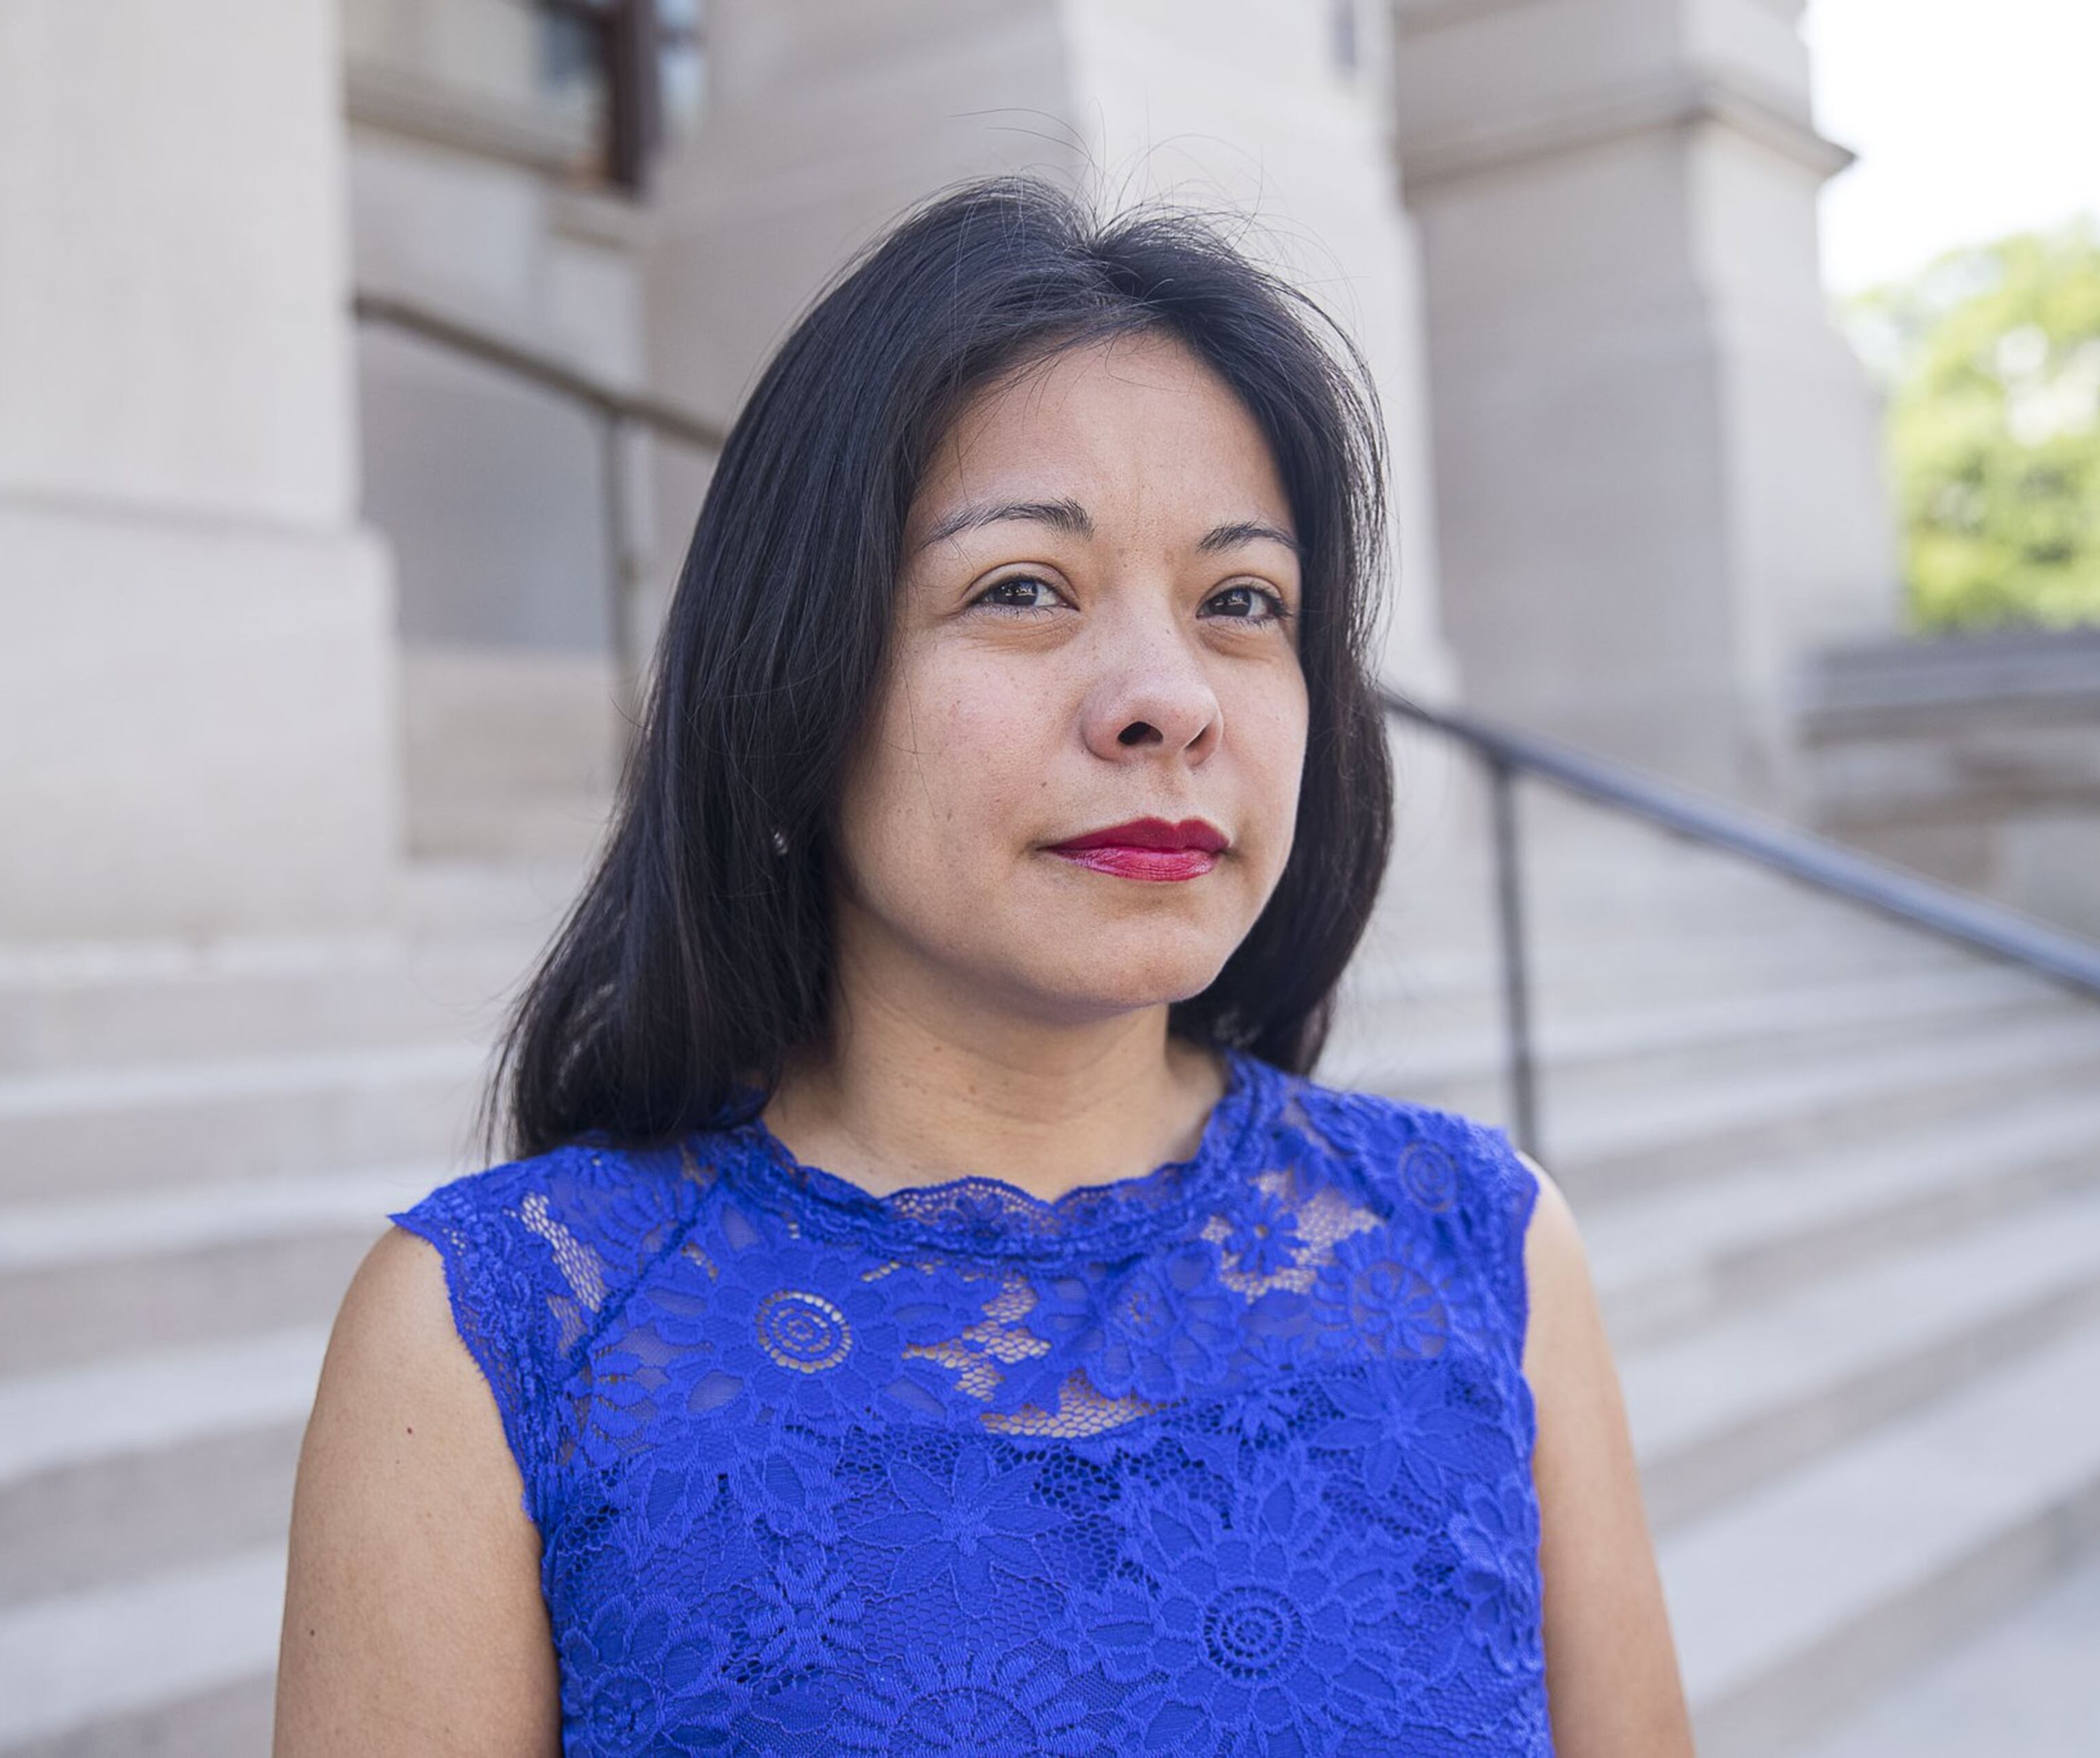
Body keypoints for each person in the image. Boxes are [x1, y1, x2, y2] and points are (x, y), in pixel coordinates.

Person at [275, 177, 1691, 1758]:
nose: (1169, 699)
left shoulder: (1482, 1251)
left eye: (1242, 602)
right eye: (1024, 587)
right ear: (798, 676)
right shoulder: (496, 1332)